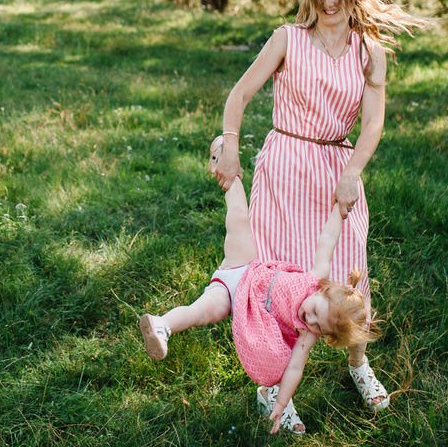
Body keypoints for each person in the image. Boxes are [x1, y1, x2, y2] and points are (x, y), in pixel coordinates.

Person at [212, 0, 433, 414]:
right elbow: (240, 93)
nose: (329, 3)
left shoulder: (369, 50)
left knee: (350, 273)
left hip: (336, 166)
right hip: (284, 163)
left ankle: (358, 361)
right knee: (277, 279)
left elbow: (372, 124)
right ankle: (273, 383)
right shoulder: (287, 39)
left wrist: (352, 171)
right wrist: (230, 140)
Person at [139, 138, 377, 435]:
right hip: (244, 269)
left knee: (203, 312)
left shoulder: (306, 334)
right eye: (315, 311)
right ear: (322, 290)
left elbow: (294, 369)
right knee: (239, 217)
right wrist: (339, 211)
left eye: (320, 327)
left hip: (235, 298)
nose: (310, 320)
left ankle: (164, 327)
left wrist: (281, 404)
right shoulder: (317, 275)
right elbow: (327, 240)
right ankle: (225, 165)